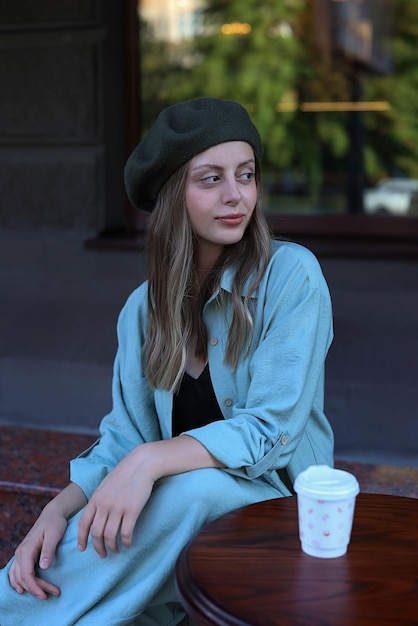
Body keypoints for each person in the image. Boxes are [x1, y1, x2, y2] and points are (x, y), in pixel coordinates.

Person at [0, 97, 334, 625]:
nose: (235, 196)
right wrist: (57, 510)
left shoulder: (291, 276)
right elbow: (124, 437)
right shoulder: (142, 309)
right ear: (174, 195)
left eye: (246, 175)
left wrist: (151, 461)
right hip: (176, 526)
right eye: (210, 179)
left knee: (192, 488)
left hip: (281, 513)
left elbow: (271, 431)